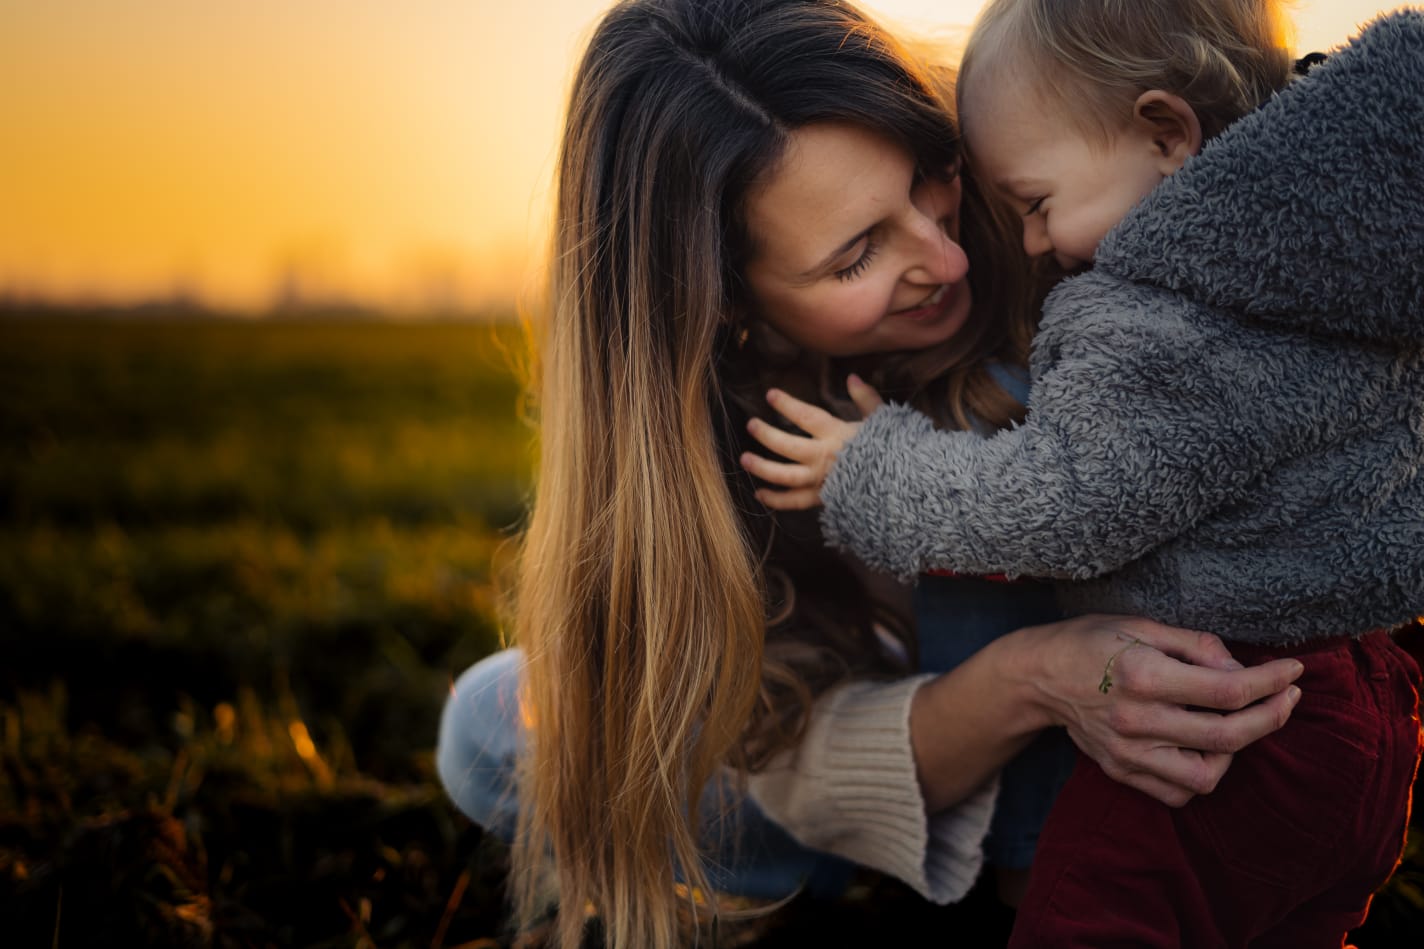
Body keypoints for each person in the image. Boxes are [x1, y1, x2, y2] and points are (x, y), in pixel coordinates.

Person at [434, 2, 1308, 947]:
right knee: (493, 722)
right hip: (944, 727)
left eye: (931, 183)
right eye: (856, 256)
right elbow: (776, 740)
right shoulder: (699, 427)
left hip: (1150, 706)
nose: (948, 255)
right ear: (726, 307)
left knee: (998, 414)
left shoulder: (1051, 171)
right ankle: (904, 843)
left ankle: (1026, 862)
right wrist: (1032, 677)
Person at [742, 1, 1424, 944]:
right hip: (1367, 709)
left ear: (1164, 133)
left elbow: (1059, 499)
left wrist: (870, 472)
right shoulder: (1323, 261)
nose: (962, 250)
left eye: (951, 190)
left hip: (1232, 705)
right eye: (857, 253)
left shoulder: (1156, 317)